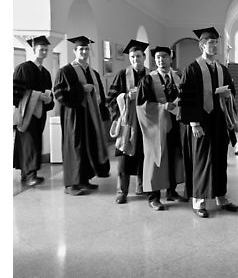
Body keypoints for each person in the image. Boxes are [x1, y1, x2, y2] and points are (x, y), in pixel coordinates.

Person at [179, 27, 238, 218]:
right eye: (210, 42)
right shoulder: (193, 68)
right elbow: (186, 97)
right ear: (201, 45)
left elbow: (232, 92)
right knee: (202, 161)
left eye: (216, 42)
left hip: (219, 121)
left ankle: (221, 198)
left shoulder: (222, 69)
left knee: (220, 160)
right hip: (201, 123)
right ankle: (199, 201)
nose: (214, 46)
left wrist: (229, 95)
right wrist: (194, 123)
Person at [54, 36, 110, 196]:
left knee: (88, 146)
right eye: (81, 49)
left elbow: (101, 95)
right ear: (74, 51)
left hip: (91, 116)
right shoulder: (65, 71)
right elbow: (59, 94)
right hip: (74, 115)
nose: (84, 51)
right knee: (74, 146)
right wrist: (81, 89)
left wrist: (104, 113)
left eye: (86, 49)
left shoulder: (93, 73)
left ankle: (84, 179)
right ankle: (71, 184)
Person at [136, 46, 186, 211]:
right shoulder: (148, 80)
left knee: (173, 157)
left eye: (164, 56)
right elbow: (142, 106)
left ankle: (171, 191)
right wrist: (162, 107)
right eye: (157, 57)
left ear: (171, 58)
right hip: (156, 127)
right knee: (155, 159)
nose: (160, 60)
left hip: (175, 125)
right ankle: (153, 196)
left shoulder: (178, 77)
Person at [106, 39, 149, 204]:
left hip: (145, 123)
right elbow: (110, 99)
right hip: (127, 124)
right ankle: (121, 191)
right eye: (132, 57)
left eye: (138, 56)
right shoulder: (122, 75)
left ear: (144, 57)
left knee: (142, 156)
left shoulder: (151, 75)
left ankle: (141, 186)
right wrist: (124, 97)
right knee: (124, 158)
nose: (135, 60)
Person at [13, 36, 55, 187]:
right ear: (33, 50)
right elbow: (15, 92)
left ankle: (26, 174)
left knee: (35, 142)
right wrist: (36, 95)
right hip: (26, 114)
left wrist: (48, 99)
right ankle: (31, 175)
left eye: (46, 50)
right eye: (41, 49)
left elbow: (50, 93)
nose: (44, 52)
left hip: (39, 114)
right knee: (28, 143)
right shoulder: (23, 68)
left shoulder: (46, 73)